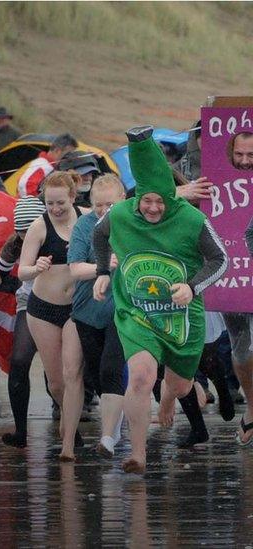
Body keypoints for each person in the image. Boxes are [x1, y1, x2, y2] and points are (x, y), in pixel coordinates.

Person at [92, 126, 227, 473]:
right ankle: (137, 453)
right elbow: (98, 235)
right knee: (139, 375)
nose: (152, 208)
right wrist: (103, 273)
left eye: (159, 201)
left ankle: (169, 396)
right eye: (146, 201)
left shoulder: (192, 219)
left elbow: (221, 260)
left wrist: (192, 287)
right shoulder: (120, 214)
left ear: (172, 196)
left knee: (180, 385)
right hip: (136, 311)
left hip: (182, 316)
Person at [17, 171, 85, 460]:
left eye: (61, 203)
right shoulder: (38, 227)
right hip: (43, 308)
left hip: (75, 308)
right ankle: (70, 424)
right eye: (50, 204)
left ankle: (68, 443)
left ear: (72, 198)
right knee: (56, 382)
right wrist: (37, 267)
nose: (55, 209)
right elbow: (22, 270)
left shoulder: (87, 219)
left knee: (73, 374)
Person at [67, 174, 127, 459]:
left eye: (110, 204)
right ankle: (114, 422)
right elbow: (75, 269)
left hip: (124, 310)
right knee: (94, 374)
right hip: (87, 310)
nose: (104, 210)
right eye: (99, 205)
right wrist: (103, 267)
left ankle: (109, 436)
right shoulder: (85, 224)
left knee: (110, 369)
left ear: (124, 201)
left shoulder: (133, 224)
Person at [0, 196, 46, 449]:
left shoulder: (59, 238)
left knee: (58, 370)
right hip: (28, 302)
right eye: (22, 230)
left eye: (30, 229)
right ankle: (21, 430)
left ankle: (68, 424)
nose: (27, 236)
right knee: (19, 360)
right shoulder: (13, 245)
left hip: (60, 303)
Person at [15, 133, 78, 199]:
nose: (69, 157)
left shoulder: (49, 166)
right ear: (57, 151)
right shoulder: (44, 166)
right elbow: (25, 184)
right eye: (68, 154)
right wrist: (37, 204)